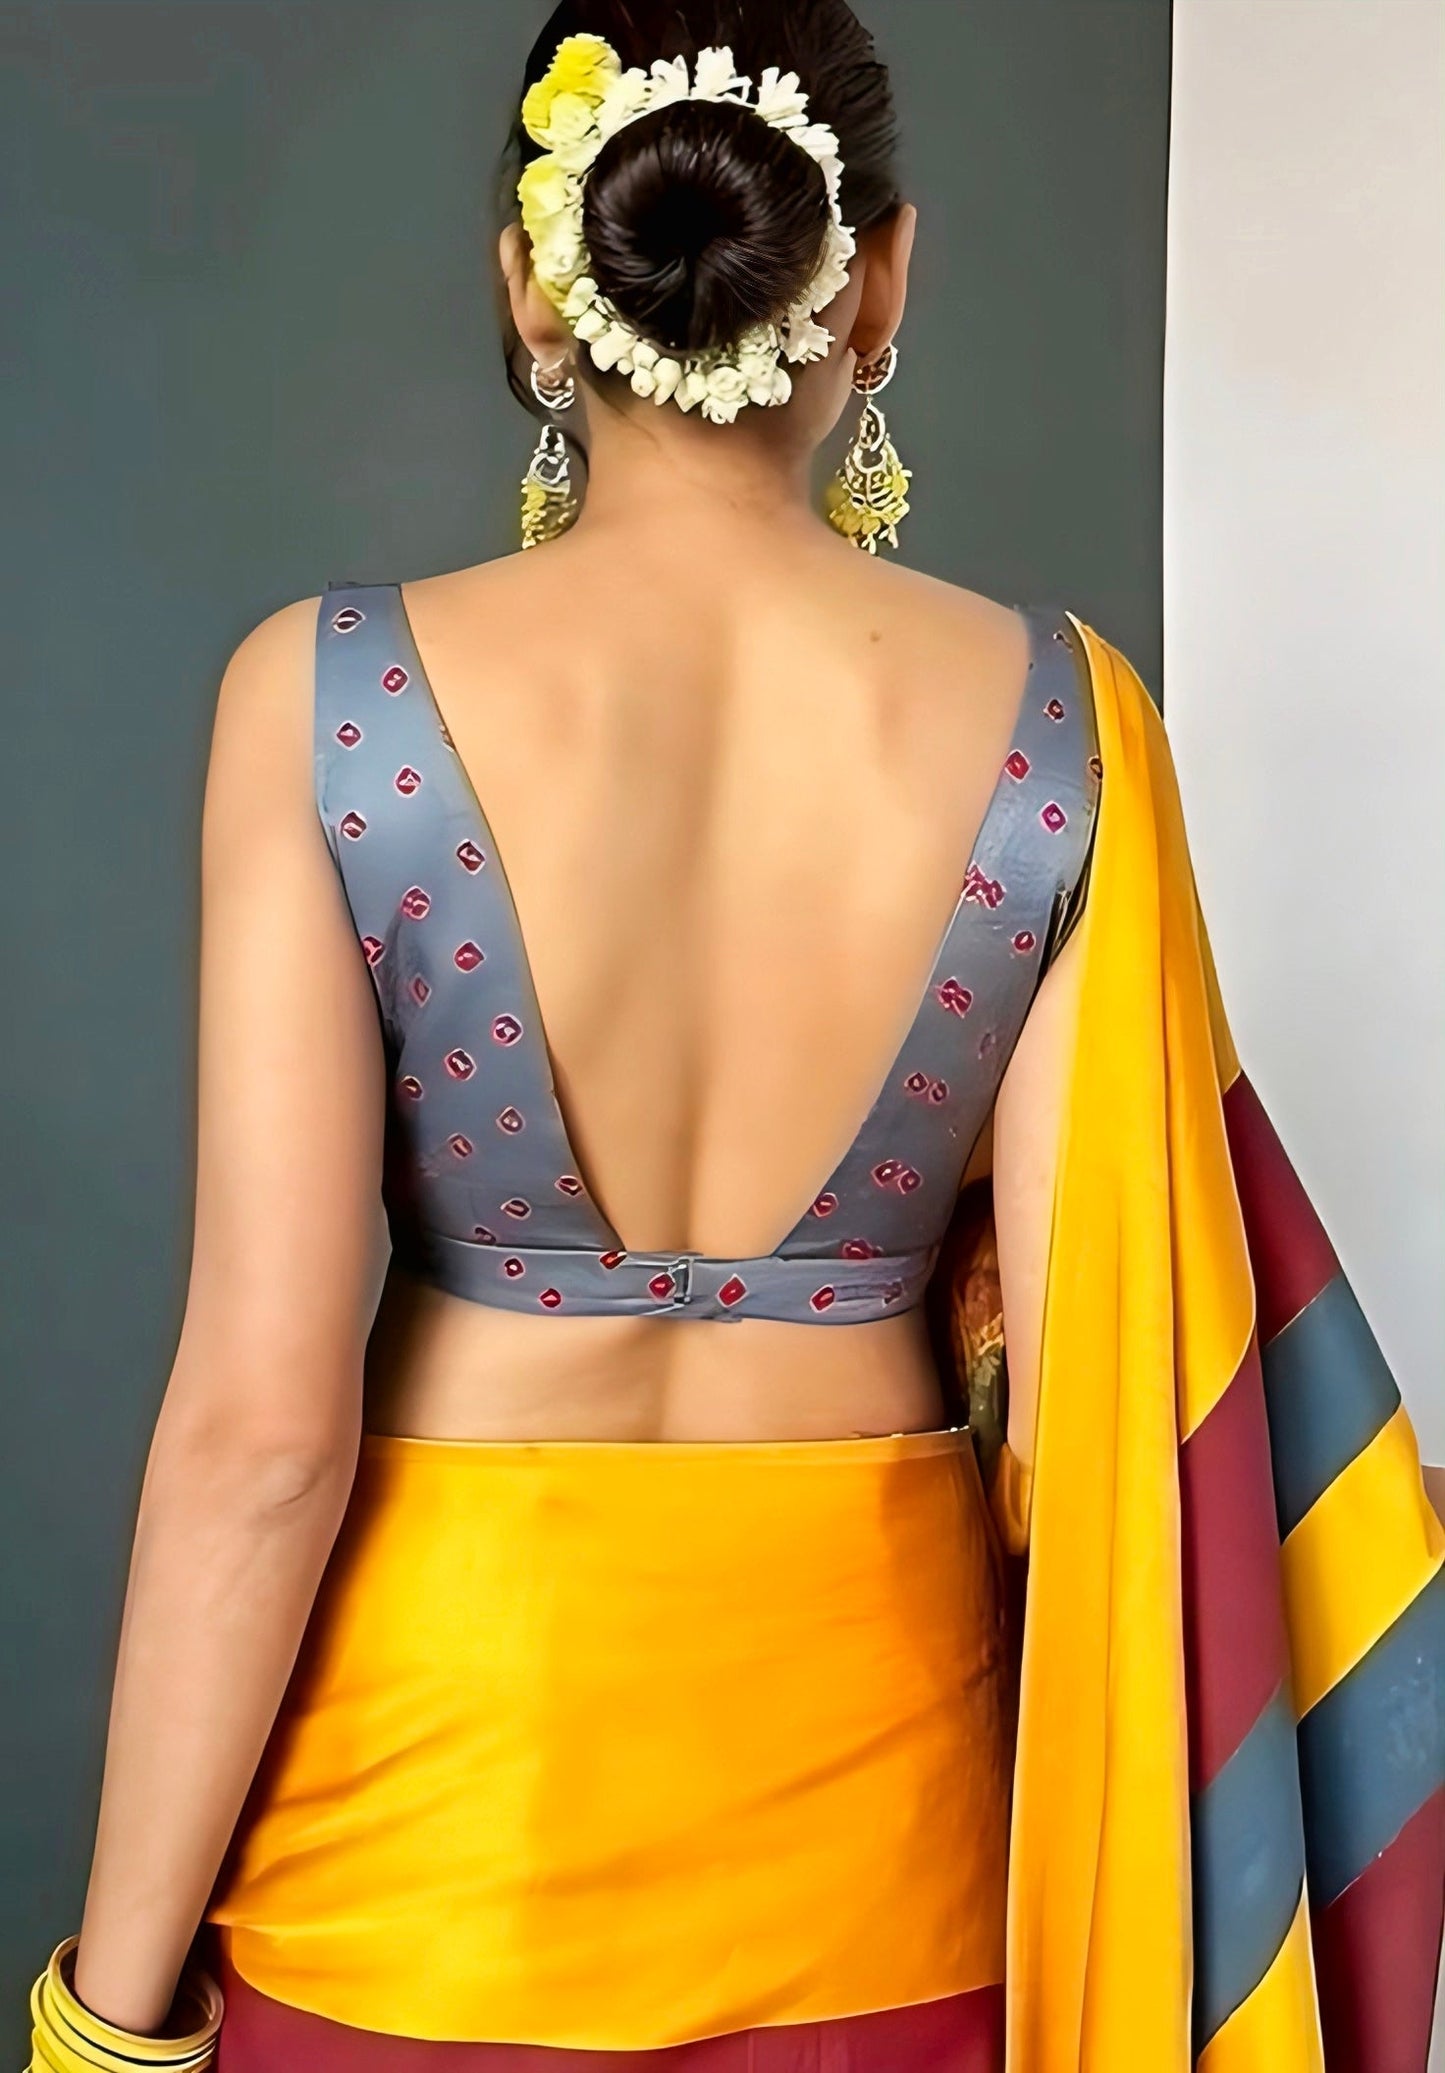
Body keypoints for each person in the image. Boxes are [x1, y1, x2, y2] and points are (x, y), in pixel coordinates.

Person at [28, 6, 1443, 2072]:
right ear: (876, 274)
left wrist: (109, 2009)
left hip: (425, 1869)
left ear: (536, 281)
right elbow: (1084, 1424)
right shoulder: (1067, 734)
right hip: (887, 1892)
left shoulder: (324, 705)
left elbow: (259, 1441)